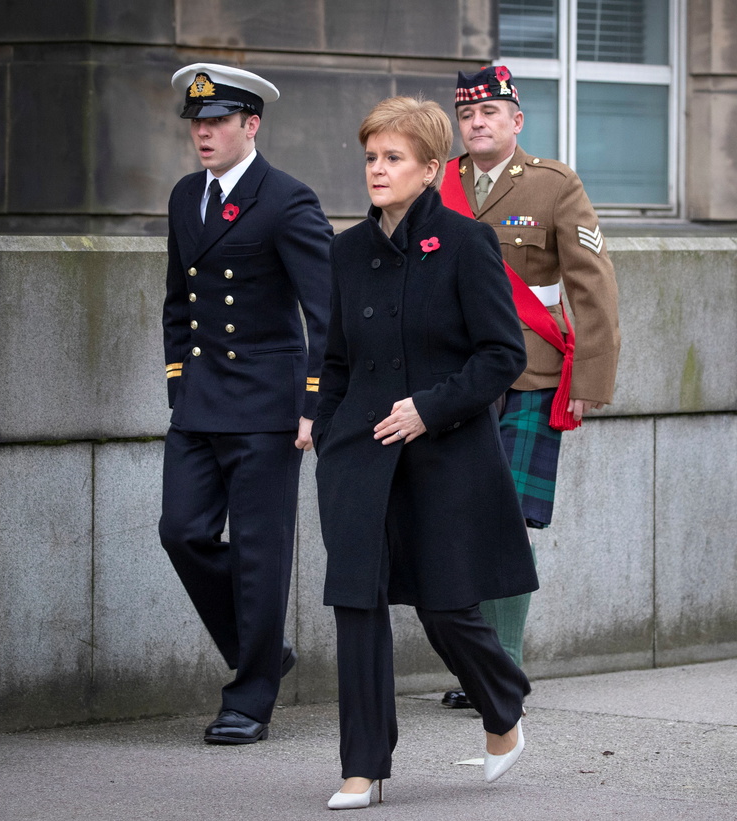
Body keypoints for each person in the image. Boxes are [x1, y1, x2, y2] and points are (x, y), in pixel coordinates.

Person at [313, 96, 537, 810]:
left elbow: (503, 354)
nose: (377, 170)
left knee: (446, 609)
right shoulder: (346, 249)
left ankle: (502, 705)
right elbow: (336, 358)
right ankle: (362, 767)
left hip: (443, 456)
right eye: (371, 157)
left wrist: (428, 409)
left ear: (431, 168)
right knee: (356, 604)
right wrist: (327, 430)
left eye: (394, 158)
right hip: (358, 455)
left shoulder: (467, 242)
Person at [437, 65, 621, 710]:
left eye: (490, 112)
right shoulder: (435, 181)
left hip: (529, 373)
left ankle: (502, 668)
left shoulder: (553, 184)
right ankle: (477, 662)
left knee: (508, 521)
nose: (477, 123)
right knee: (459, 520)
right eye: (467, 114)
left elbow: (592, 282)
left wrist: (590, 378)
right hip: (452, 379)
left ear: (516, 120)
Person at [159, 63, 332, 743]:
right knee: (182, 531)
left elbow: (327, 312)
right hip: (201, 402)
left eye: (218, 121)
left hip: (267, 406)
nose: (203, 133)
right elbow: (177, 300)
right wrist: (179, 384)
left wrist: (314, 403)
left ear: (250, 124)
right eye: (197, 123)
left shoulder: (286, 199)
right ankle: (261, 647)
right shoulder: (185, 196)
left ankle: (250, 697)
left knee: (261, 553)